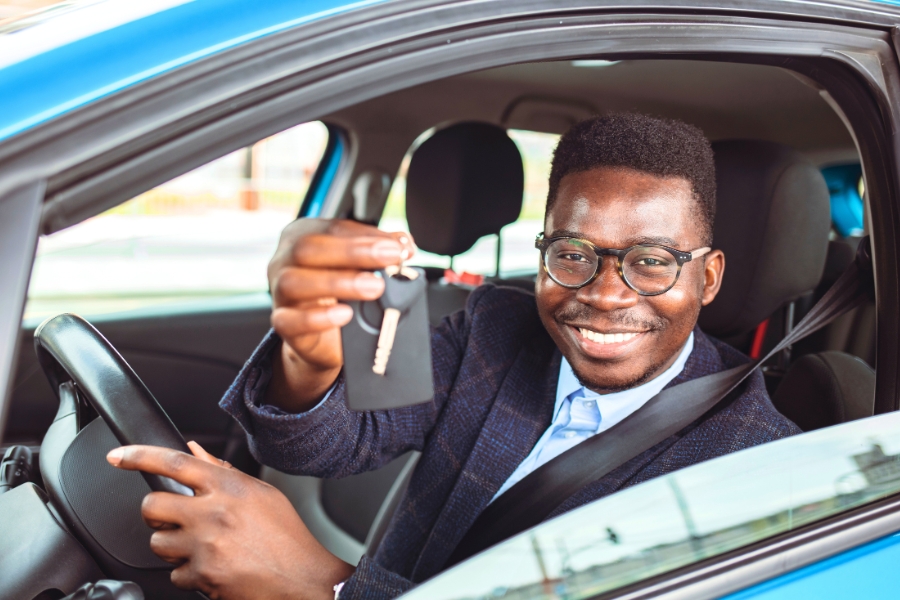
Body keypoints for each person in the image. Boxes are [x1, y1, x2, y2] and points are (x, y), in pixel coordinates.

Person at [107, 114, 801, 600]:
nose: (604, 293)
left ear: (708, 276)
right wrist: (309, 360)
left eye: (651, 261)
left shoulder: (761, 465)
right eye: (572, 254)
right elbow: (326, 443)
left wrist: (327, 586)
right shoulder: (493, 329)